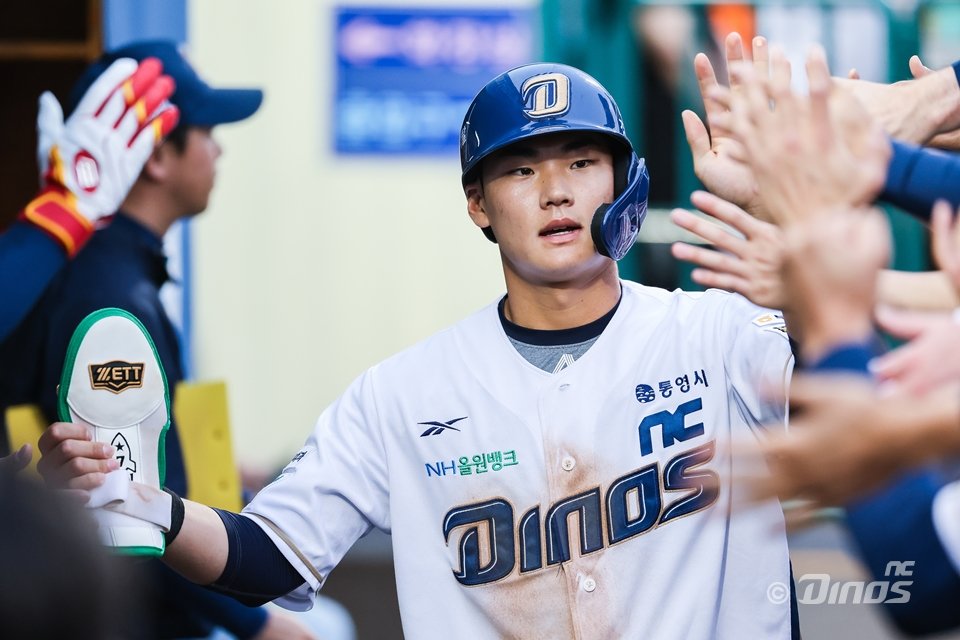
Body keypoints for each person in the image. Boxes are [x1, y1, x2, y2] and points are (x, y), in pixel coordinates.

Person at [41, 62, 800, 639]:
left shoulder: (720, 337)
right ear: (477, 204)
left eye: (580, 162)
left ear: (622, 181)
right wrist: (142, 503)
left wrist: (796, 216)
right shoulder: (402, 394)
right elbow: (267, 555)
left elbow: (854, 377)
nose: (556, 191)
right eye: (521, 169)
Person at [2, 41, 317, 640]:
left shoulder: (118, 274)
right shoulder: (109, 296)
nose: (219, 148)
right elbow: (124, 504)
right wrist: (259, 627)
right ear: (156, 157)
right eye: (206, 131)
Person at [0, 57, 178, 343]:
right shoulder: (105, 289)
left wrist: (64, 207)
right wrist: (62, 211)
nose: (219, 150)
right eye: (207, 133)